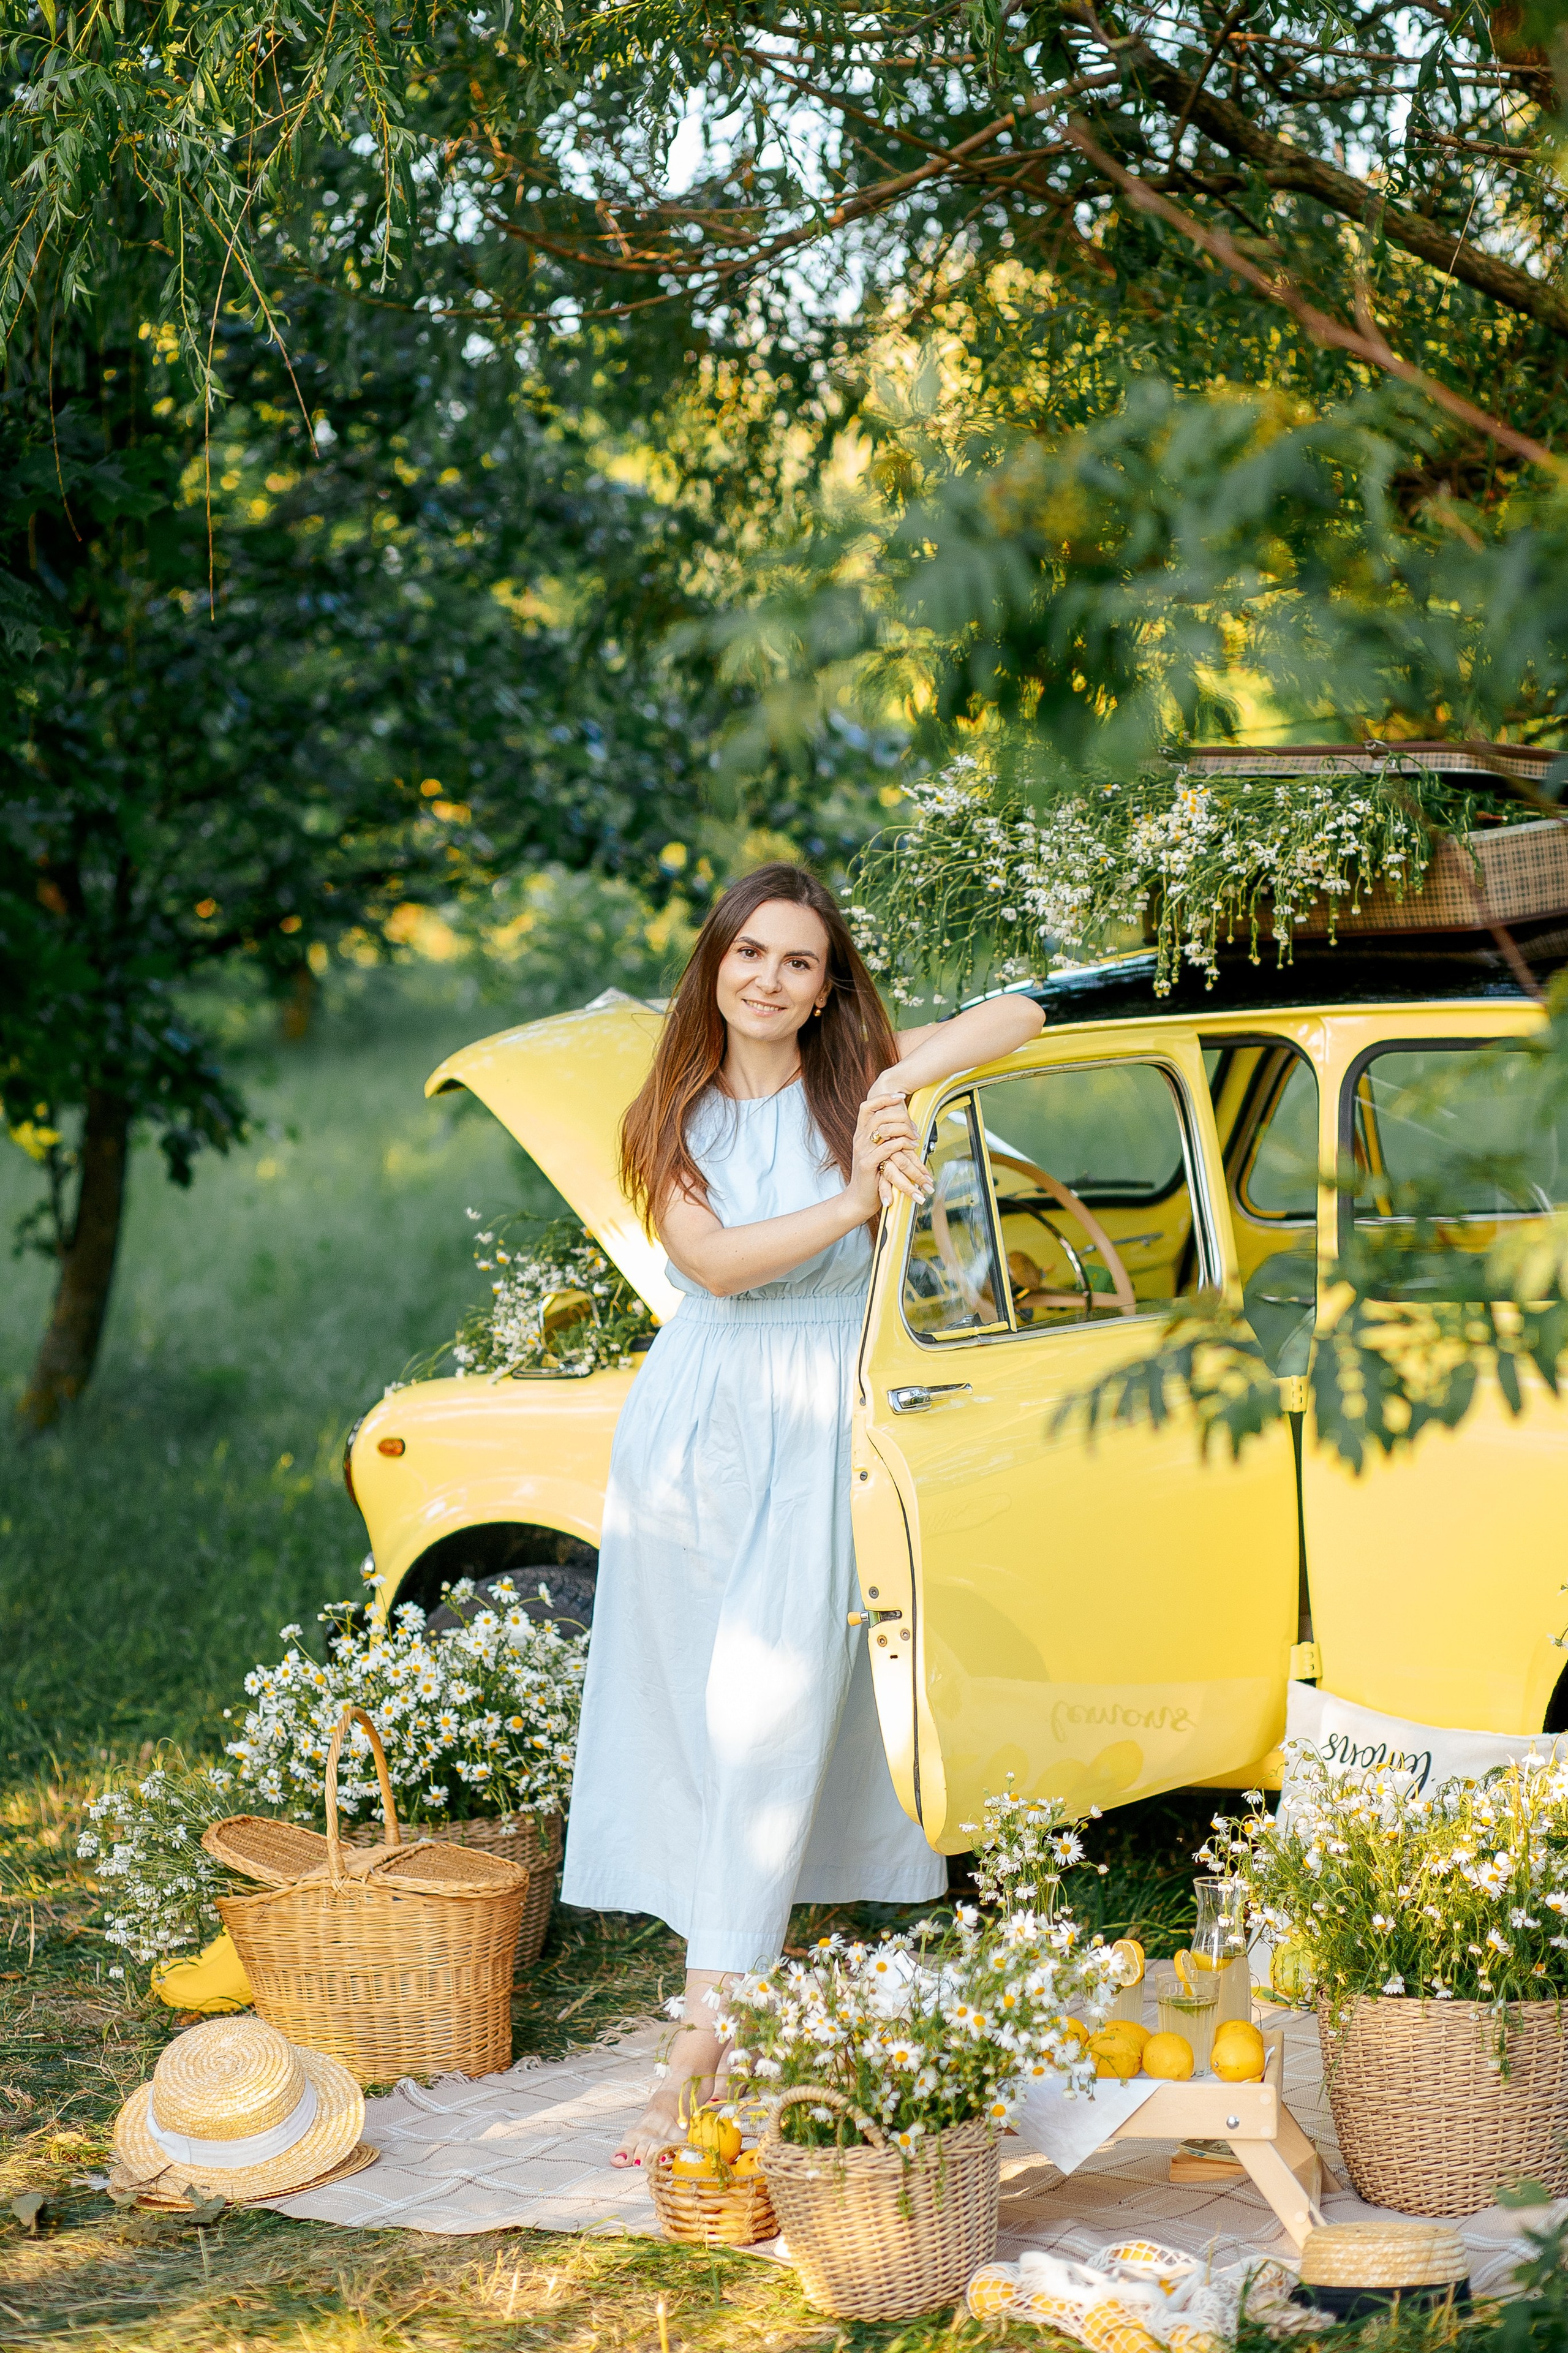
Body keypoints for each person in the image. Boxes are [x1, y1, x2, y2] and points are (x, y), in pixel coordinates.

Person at [558, 861, 1044, 2162]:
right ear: (713, 963)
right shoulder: (669, 1110)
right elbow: (708, 1261)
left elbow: (1020, 1012)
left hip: (825, 1408)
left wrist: (889, 1086)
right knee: (702, 1722)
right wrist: (852, 1199)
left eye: (799, 962)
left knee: (770, 1715)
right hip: (697, 1417)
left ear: (828, 988)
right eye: (750, 953)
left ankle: (692, 2054)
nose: (768, 979)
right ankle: (733, 1996)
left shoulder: (858, 1081)